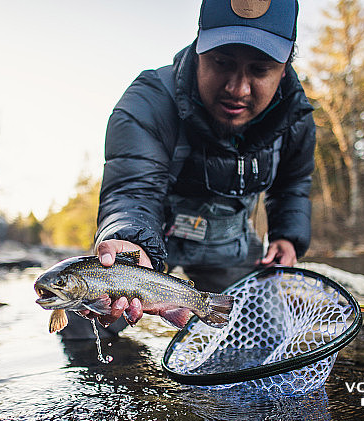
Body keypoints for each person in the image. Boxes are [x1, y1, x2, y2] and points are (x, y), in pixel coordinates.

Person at [70, 0, 315, 336]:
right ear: (199, 49)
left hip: (229, 249)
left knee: (261, 338)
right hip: (150, 242)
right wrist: (130, 240)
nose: (237, 89)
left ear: (284, 69)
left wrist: (288, 236)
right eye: (222, 63)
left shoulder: (296, 117)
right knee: (84, 327)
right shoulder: (148, 102)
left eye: (259, 70)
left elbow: (293, 184)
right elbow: (132, 191)